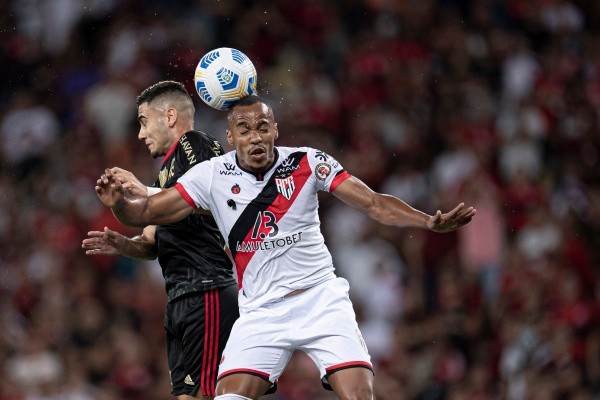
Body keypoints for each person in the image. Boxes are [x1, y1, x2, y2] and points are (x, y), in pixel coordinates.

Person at [94, 94, 476, 400]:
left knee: (360, 395)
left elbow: (374, 203)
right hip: (261, 312)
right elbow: (146, 211)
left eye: (263, 127)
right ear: (230, 138)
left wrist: (427, 221)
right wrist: (118, 204)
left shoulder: (308, 162)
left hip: (320, 299)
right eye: (244, 129)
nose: (255, 137)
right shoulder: (210, 176)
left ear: (275, 130)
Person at [82, 81, 239, 400]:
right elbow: (150, 239)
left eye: (144, 121)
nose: (141, 134)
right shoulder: (165, 176)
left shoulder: (195, 143)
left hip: (206, 288)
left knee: (206, 394)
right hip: (181, 297)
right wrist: (120, 216)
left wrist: (145, 191)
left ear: (169, 116)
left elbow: (211, 199)